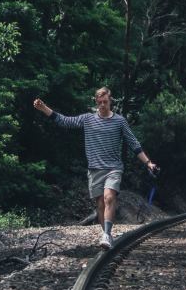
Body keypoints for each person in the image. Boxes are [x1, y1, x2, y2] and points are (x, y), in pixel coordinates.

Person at [33, 88, 156, 249]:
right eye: (100, 102)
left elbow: (134, 143)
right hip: (94, 169)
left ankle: (106, 234)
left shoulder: (119, 121)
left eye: (105, 102)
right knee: (100, 204)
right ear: (96, 102)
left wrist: (148, 163)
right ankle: (107, 234)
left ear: (110, 101)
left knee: (109, 197)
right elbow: (64, 121)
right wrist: (44, 109)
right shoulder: (87, 119)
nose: (103, 105)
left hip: (114, 168)